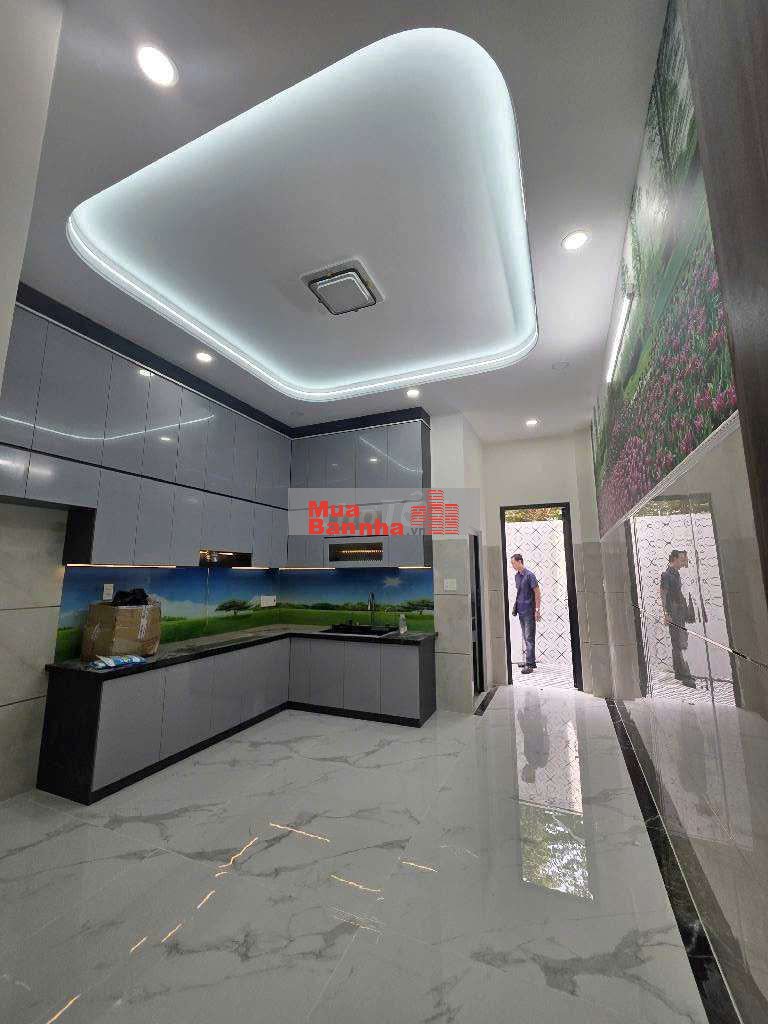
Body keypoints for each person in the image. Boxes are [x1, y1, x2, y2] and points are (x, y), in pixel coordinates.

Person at [660, 549, 693, 685]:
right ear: (674, 559)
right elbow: (663, 594)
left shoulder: (676, 574)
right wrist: (666, 614)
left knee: (680, 641)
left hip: (679, 611)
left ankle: (681, 671)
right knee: (677, 642)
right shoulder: (666, 575)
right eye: (680, 559)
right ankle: (680, 673)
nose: (682, 562)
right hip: (673, 612)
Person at [511, 553, 541, 675]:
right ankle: (530, 661)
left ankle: (529, 664)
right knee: (525, 636)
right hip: (521, 611)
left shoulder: (530, 575)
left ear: (520, 562)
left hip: (529, 611)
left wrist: (537, 610)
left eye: (513, 563)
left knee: (529, 638)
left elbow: (537, 593)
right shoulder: (517, 576)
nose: (512, 565)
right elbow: (520, 593)